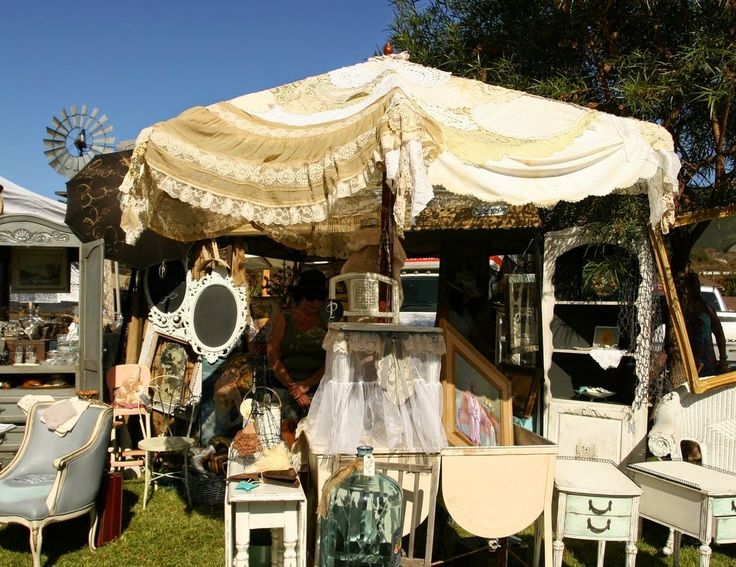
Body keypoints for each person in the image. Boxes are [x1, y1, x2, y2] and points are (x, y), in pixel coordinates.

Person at [267, 269, 328, 442]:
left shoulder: (326, 323)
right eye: (310, 298)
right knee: (287, 435)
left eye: (319, 299)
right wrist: (295, 389)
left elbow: (330, 361)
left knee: (316, 438)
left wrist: (307, 386)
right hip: (286, 388)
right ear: (300, 296)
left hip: (317, 389)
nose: (315, 303)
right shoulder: (283, 319)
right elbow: (273, 357)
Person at [681, 271, 728, 377]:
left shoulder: (707, 309)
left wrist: (723, 360)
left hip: (707, 363)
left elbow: (719, 333)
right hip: (686, 363)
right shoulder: (679, 312)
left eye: (694, 285)